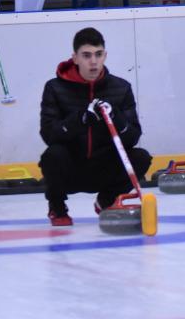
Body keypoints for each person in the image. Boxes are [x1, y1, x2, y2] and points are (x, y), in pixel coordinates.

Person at [39, 27, 153, 226]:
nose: (93, 62)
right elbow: (49, 134)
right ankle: (57, 206)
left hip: (104, 167)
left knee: (141, 157)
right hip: (71, 168)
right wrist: (81, 119)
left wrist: (116, 118)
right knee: (52, 155)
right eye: (86, 55)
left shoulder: (121, 88)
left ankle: (106, 200)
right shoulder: (55, 88)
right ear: (75, 58)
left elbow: (133, 136)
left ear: (105, 56)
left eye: (98, 55)